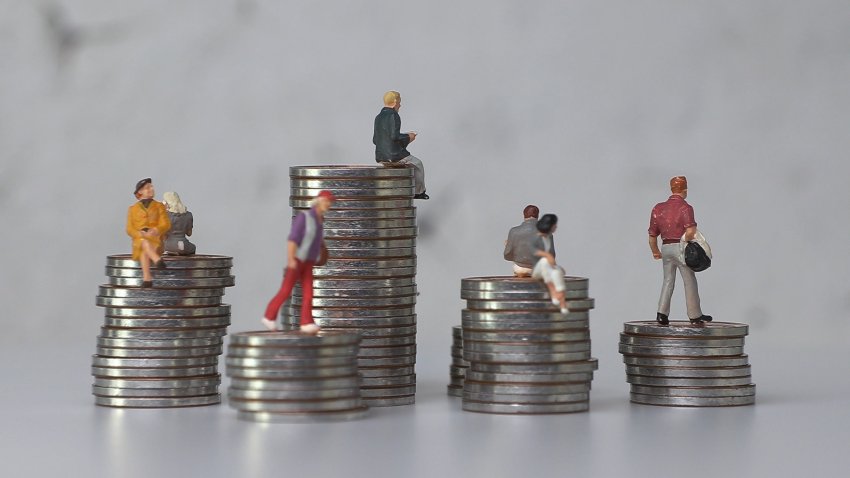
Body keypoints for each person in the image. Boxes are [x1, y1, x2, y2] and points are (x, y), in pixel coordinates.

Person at [262, 190, 335, 334]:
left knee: (309, 292)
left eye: (330, 202)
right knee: (286, 290)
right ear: (319, 201)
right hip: (298, 260)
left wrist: (322, 258)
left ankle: (306, 322)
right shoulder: (305, 217)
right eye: (327, 201)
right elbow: (293, 239)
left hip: (308, 262)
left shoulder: (320, 222)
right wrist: (290, 259)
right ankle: (269, 316)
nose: (328, 205)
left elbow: (319, 243)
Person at [648, 176, 712, 325]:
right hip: (680, 248)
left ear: (672, 189)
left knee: (667, 281)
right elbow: (690, 231)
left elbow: (652, 236)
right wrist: (687, 243)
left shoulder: (658, 208)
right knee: (689, 281)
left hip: (665, 248)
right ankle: (694, 315)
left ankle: (661, 314)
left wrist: (655, 251)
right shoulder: (685, 208)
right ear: (685, 190)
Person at [373, 90, 428, 200]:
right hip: (394, 156)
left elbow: (375, 140)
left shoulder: (378, 117)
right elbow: (394, 137)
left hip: (380, 156)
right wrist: (409, 137)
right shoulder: (394, 115)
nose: (400, 105)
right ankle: (419, 192)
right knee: (418, 164)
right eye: (399, 102)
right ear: (394, 102)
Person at [125, 178, 171, 288]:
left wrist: (156, 230)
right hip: (139, 239)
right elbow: (129, 229)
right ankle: (157, 260)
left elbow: (166, 224)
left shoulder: (159, 206)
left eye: (151, 186)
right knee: (143, 243)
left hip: (155, 241)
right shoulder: (132, 209)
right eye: (147, 188)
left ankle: (147, 278)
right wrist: (139, 233)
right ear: (139, 192)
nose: (151, 189)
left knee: (144, 247)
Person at [531, 214, 569, 314]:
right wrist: (547, 255)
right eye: (554, 224)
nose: (556, 227)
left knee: (557, 273)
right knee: (544, 262)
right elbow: (533, 251)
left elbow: (552, 255)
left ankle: (561, 300)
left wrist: (555, 266)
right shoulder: (536, 238)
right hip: (537, 269)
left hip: (548, 267)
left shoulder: (549, 237)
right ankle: (553, 293)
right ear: (549, 225)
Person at [504, 205, 543, 277]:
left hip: (519, 268)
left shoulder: (514, 231)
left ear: (524, 215)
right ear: (538, 215)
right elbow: (551, 255)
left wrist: (508, 245)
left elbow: (507, 255)